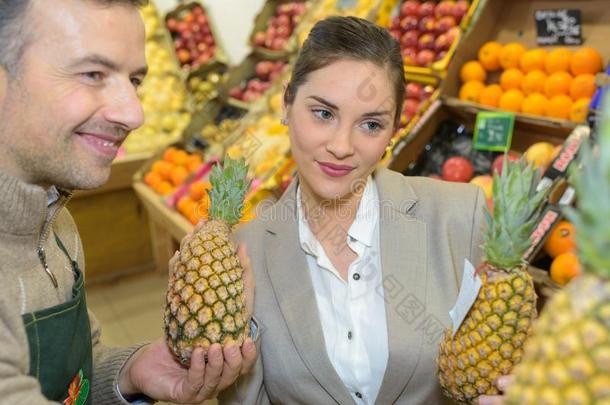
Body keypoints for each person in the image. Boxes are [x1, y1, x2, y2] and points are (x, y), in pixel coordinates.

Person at [219, 16, 510, 405]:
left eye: (370, 124)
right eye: (323, 113)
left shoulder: (460, 217)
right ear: (286, 104)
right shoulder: (242, 252)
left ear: (393, 131)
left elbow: (503, 358)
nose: (341, 146)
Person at [0, 0, 256, 403]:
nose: (134, 114)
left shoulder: (56, 218)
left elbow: (76, 375)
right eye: (92, 74)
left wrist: (130, 373)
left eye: (134, 80)